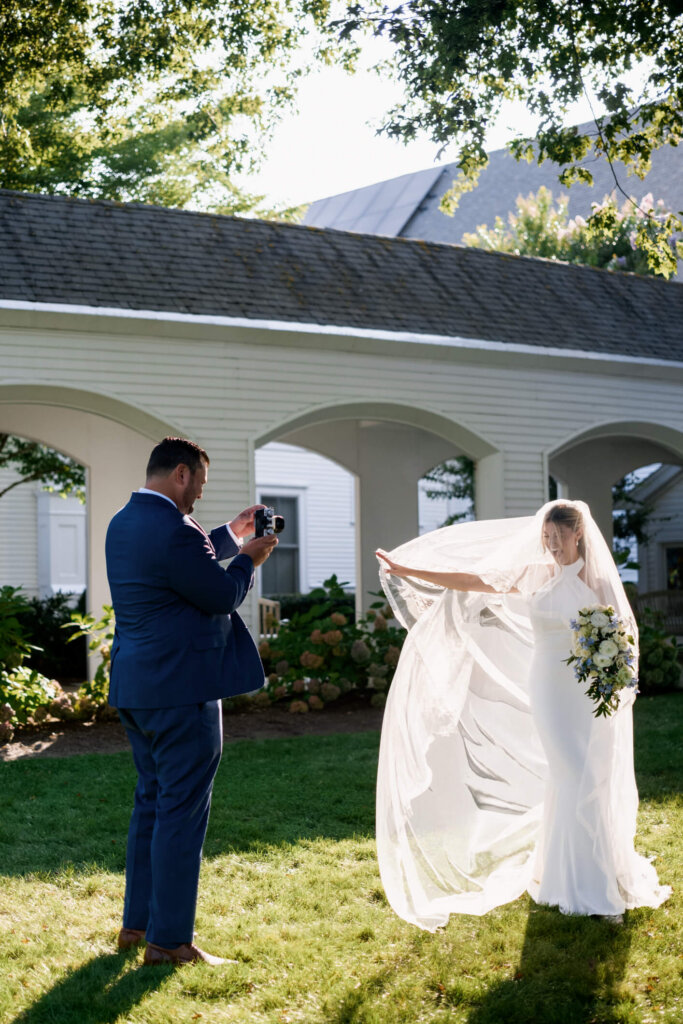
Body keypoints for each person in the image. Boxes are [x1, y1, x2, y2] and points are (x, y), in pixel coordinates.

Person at [375, 500, 670, 931]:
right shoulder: (537, 574)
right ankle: (572, 881)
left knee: (588, 779)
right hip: (550, 690)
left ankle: (595, 883)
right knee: (570, 776)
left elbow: (621, 633)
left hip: (590, 693)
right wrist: (409, 571)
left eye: (557, 537)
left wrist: (613, 683)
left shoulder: (596, 578)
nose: (551, 545)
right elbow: (474, 581)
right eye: (545, 538)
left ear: (578, 534)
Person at [105, 436, 278, 965]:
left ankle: (137, 927)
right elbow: (220, 592)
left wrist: (232, 534)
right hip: (183, 692)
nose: (200, 495)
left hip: (138, 687)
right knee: (181, 814)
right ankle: (171, 941)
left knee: (152, 806)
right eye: (199, 483)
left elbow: (183, 567)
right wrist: (250, 559)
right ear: (181, 474)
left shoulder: (125, 522)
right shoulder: (176, 531)